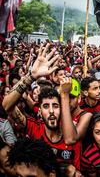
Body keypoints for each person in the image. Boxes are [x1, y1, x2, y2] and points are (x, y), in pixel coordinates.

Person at [2, 44, 81, 175]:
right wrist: (31, 76)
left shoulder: (72, 133)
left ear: (62, 109)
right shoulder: (35, 128)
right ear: (39, 110)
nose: (51, 111)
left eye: (55, 106)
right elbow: (7, 106)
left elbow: (76, 168)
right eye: (46, 106)